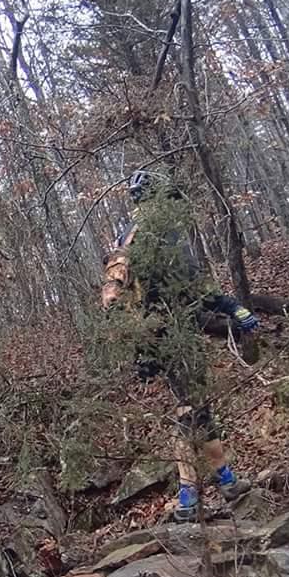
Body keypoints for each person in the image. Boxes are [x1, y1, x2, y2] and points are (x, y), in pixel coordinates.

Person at [103, 171, 259, 521]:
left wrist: (228, 305)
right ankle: (189, 493)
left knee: (197, 408)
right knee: (188, 411)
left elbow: (187, 284)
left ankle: (225, 479)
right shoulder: (142, 234)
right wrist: (132, 333)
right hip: (165, 334)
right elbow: (117, 280)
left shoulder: (145, 232)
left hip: (177, 330)